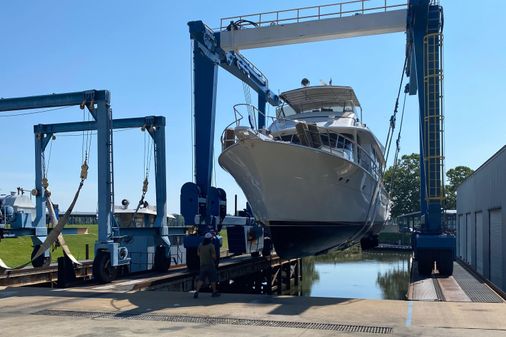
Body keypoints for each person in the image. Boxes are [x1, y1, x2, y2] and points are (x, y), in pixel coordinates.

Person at [193, 232, 220, 298]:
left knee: (201, 279)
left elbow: (198, 254)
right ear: (210, 239)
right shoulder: (211, 246)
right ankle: (214, 292)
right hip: (210, 265)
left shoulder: (200, 245)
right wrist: (215, 259)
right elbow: (214, 256)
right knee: (212, 279)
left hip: (202, 265)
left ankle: (196, 292)